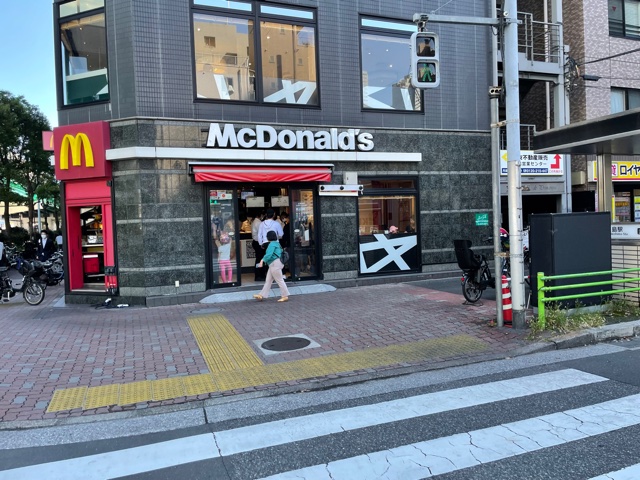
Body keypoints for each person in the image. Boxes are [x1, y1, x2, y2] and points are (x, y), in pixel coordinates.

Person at [253, 230, 289, 303]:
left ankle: (285, 295)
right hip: (276, 263)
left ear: (268, 237)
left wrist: (262, 260)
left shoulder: (272, 244)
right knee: (268, 280)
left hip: (274, 264)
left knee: (279, 280)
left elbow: (269, 254)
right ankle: (261, 295)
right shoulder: (277, 243)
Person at [251, 210, 267, 281]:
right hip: (258, 242)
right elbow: (262, 233)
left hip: (256, 242)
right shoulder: (258, 223)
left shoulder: (254, 221)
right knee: (260, 259)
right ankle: (259, 275)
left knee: (259, 259)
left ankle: (259, 274)